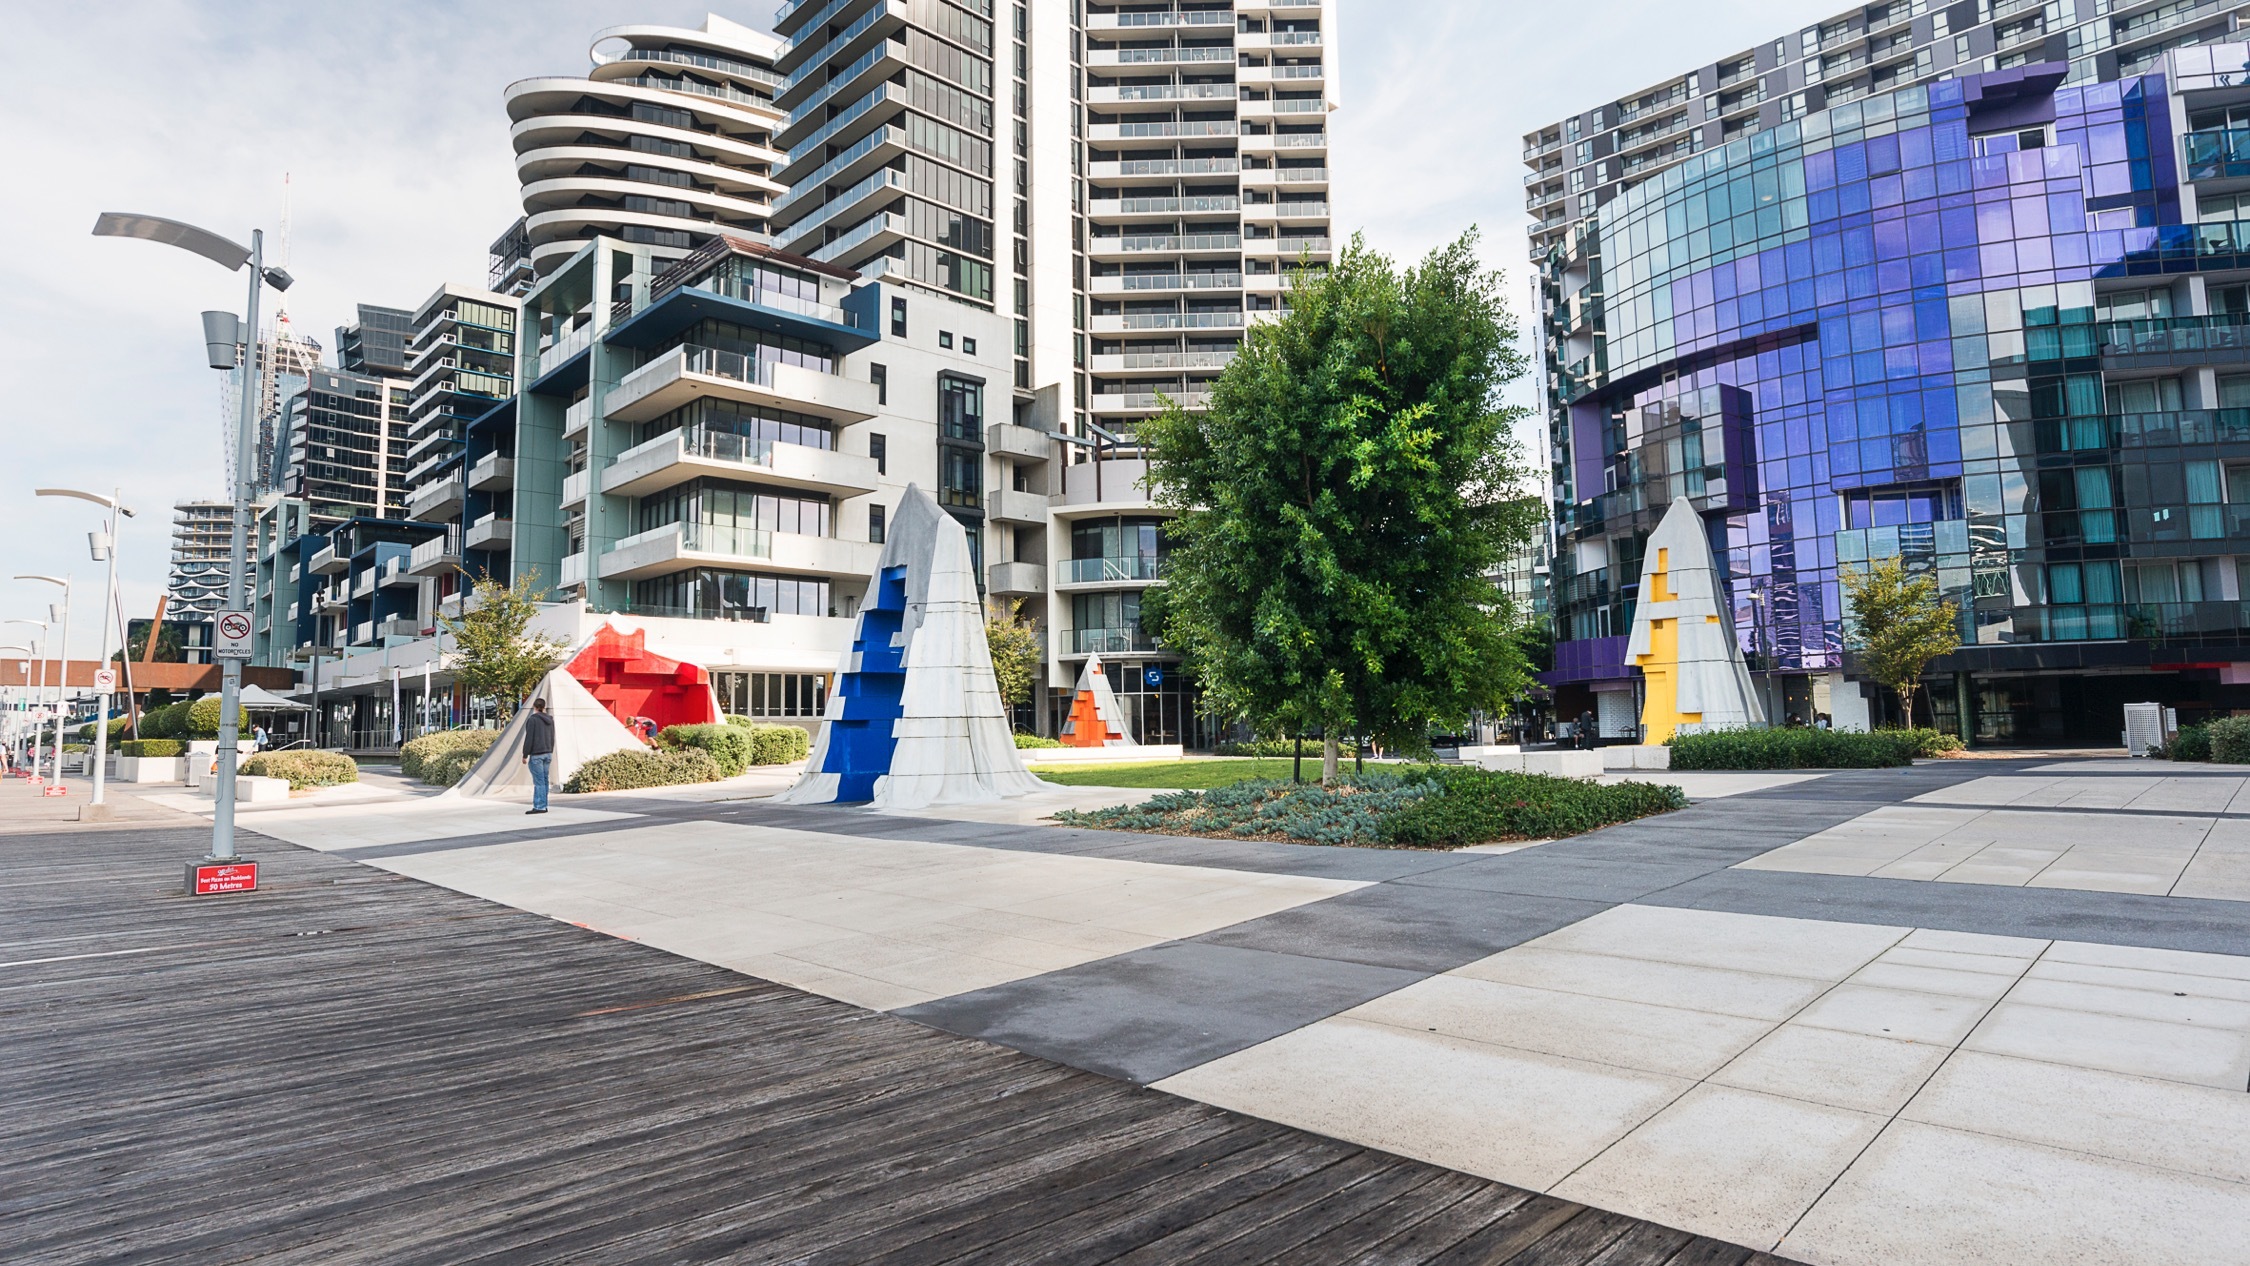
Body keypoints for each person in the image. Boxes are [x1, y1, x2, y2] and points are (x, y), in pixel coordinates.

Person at [522, 698, 555, 815]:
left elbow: (529, 738)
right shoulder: (550, 720)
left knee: (539, 781)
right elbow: (552, 737)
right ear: (544, 707)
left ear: (534, 706)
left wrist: (525, 754)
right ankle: (544, 805)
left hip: (537, 754)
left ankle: (539, 806)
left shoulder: (533, 720)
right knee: (544, 780)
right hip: (548, 753)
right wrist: (550, 750)